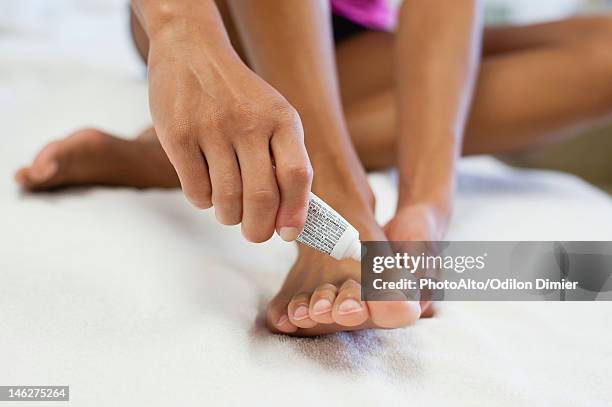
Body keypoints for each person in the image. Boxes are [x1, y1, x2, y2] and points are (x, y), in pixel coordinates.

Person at [14, 0, 612, 336]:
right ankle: (333, 181)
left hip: (355, 35)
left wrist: (426, 205)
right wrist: (177, 27)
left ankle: (178, 156)